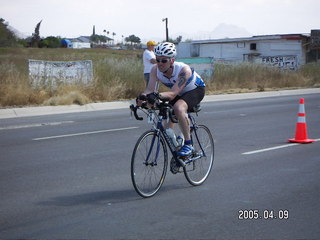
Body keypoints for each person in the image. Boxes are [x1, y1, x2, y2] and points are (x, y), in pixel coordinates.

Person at [137, 42, 206, 157]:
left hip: (194, 90)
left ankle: (188, 145)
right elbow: (149, 89)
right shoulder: (155, 70)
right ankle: (178, 147)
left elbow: (173, 93)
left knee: (178, 108)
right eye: (158, 60)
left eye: (164, 61)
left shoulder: (184, 70)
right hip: (177, 92)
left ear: (172, 60)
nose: (160, 63)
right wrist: (142, 97)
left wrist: (157, 95)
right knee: (166, 127)